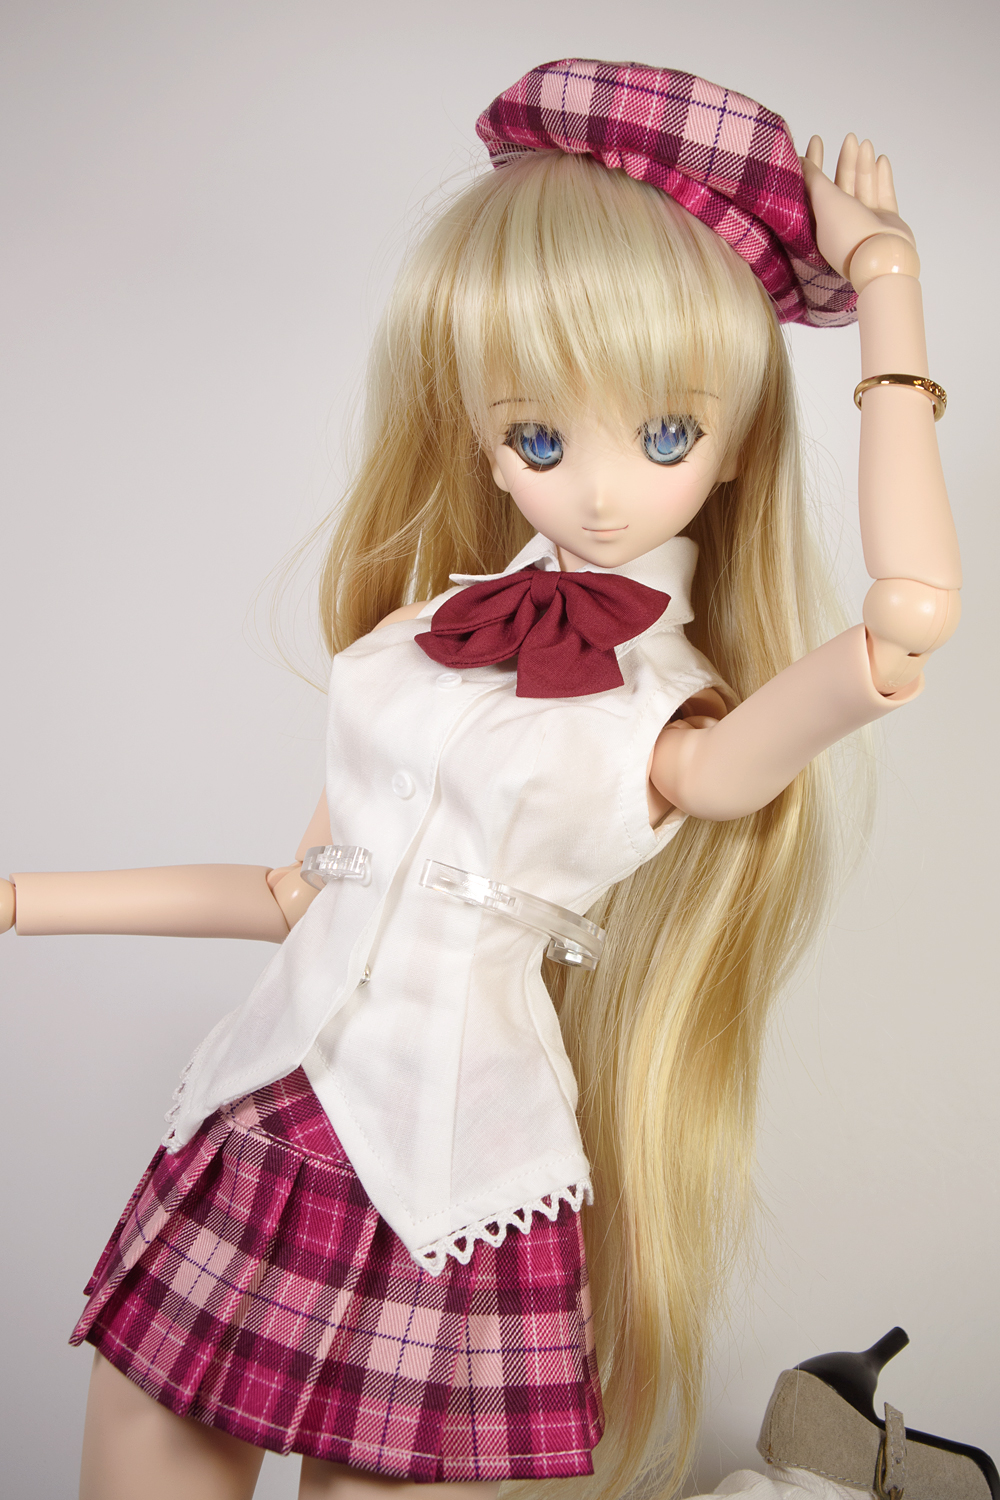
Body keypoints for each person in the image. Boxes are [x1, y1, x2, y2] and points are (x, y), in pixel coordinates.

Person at [0, 59, 962, 1500]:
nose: (598, 490)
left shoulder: (670, 721)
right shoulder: (412, 642)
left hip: (449, 1179)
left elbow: (909, 616)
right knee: (139, 1433)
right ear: (483, 436)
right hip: (264, 1123)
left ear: (736, 445)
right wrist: (25, 898)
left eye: (666, 432)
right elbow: (297, 892)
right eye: (539, 436)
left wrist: (888, 287)